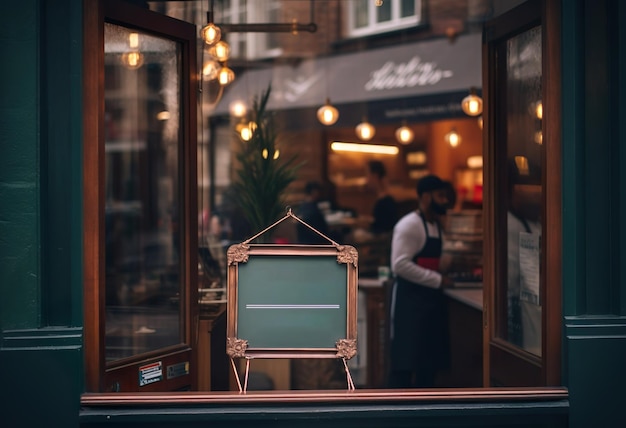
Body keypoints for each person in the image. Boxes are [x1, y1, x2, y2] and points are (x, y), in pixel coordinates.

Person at [387, 174, 455, 388]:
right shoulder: (409, 225)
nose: (445, 201)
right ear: (426, 197)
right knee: (406, 367)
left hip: (431, 304)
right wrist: (437, 279)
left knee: (428, 367)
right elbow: (399, 264)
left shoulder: (436, 225)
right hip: (411, 304)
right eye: (440, 196)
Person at [366, 160, 399, 234]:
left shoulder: (385, 202)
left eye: (368, 174)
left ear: (375, 176)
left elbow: (383, 231)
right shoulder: (384, 199)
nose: (366, 179)